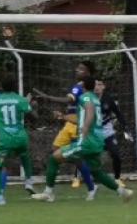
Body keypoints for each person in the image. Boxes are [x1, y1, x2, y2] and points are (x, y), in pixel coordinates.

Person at [31, 75, 134, 203]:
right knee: (97, 173)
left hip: (86, 142)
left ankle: (48, 193)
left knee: (53, 159)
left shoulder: (85, 97)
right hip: (97, 142)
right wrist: (63, 117)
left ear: (83, 86)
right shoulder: (96, 99)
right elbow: (82, 117)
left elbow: (89, 113)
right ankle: (123, 192)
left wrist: (85, 127)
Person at [32, 61, 97, 200]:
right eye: (77, 67)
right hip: (68, 123)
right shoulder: (82, 88)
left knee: (69, 157)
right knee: (56, 149)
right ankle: (89, 185)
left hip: (75, 125)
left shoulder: (80, 87)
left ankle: (90, 186)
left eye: (81, 69)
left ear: (88, 73)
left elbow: (67, 100)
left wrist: (48, 97)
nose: (77, 70)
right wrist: (63, 116)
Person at [0, 77, 40, 205]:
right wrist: (31, 106)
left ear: (2, 88)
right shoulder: (20, 100)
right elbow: (34, 118)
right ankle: (28, 181)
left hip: (5, 140)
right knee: (25, 156)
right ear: (15, 87)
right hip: (20, 138)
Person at [97, 78, 133, 186]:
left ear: (103, 86)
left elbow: (118, 113)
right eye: (95, 84)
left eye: (99, 84)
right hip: (94, 133)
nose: (97, 87)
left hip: (107, 132)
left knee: (115, 154)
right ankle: (89, 178)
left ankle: (117, 178)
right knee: (90, 156)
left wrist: (125, 127)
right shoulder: (88, 99)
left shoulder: (108, 99)